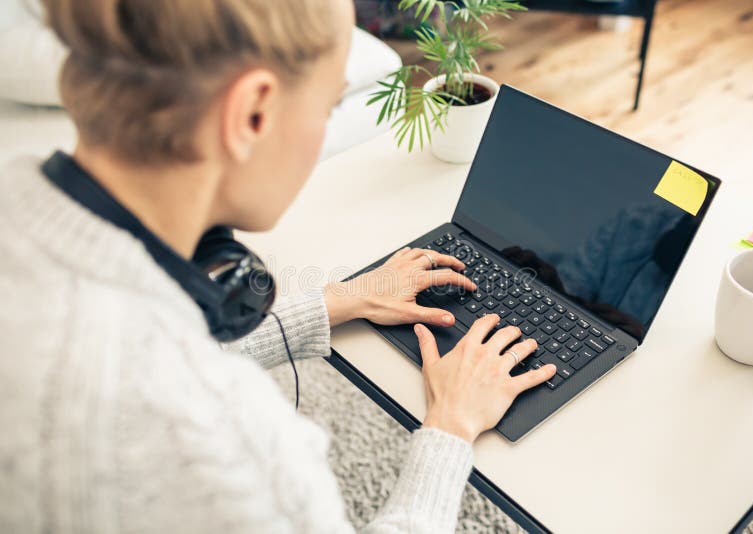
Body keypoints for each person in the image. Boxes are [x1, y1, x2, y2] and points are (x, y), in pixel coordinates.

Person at [0, 0, 557, 532]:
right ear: (252, 113)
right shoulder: (223, 442)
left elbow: (154, 354)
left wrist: (342, 298)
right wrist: (451, 426)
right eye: (329, 105)